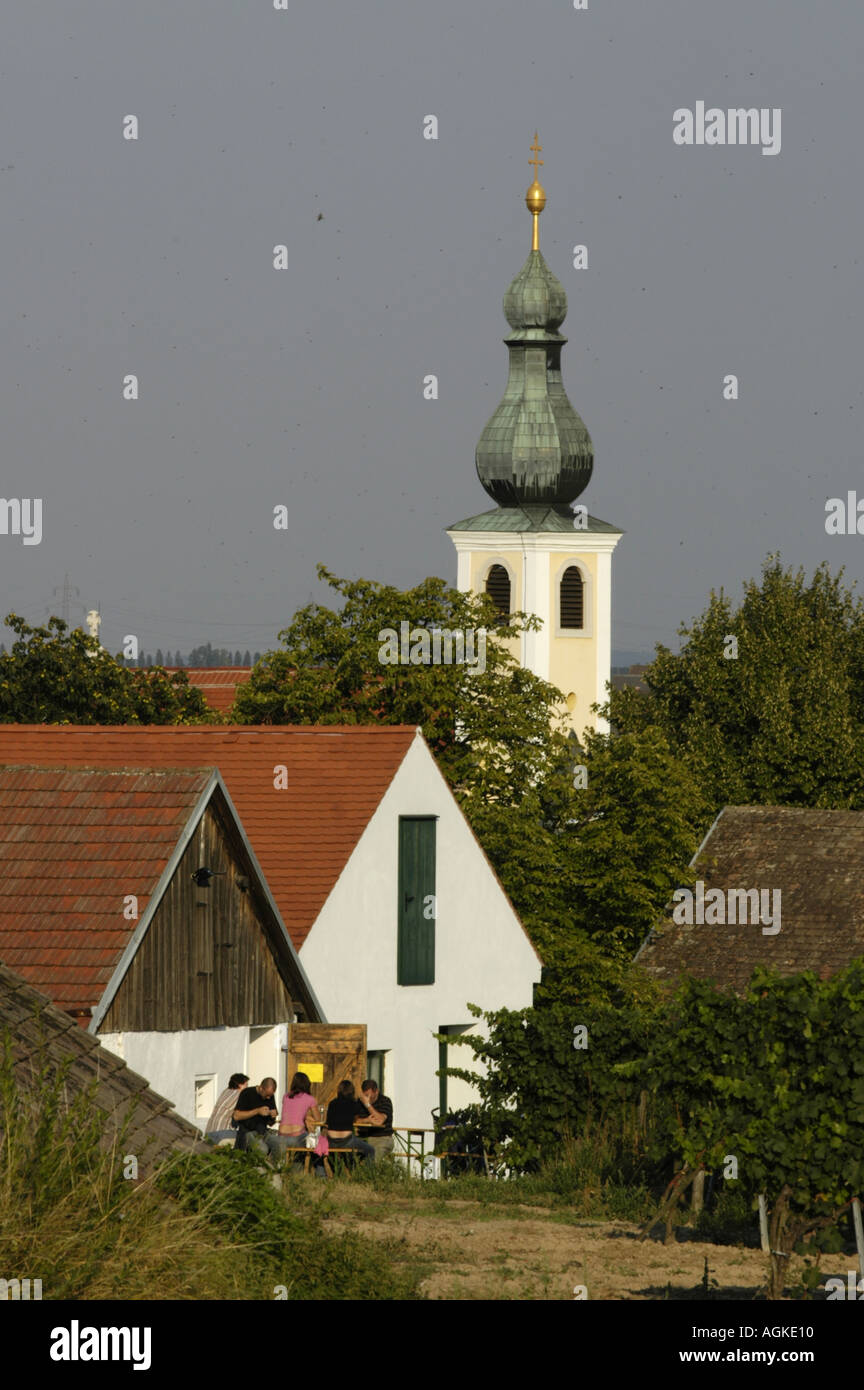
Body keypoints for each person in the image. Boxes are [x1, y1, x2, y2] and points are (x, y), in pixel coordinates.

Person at [266, 1072, 322, 1165]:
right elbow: (318, 1119)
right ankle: (304, 1170)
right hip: (296, 1136)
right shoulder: (310, 1099)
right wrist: (308, 1117)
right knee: (314, 1142)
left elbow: (292, 1113)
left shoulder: (286, 1096)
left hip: (281, 1135)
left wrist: (305, 1116)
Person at [325, 1080, 375, 1164]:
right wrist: (367, 1102)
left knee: (322, 1153)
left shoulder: (332, 1103)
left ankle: (324, 1175)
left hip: (331, 1141)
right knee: (370, 1150)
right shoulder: (353, 1104)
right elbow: (357, 1118)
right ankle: (367, 1174)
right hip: (346, 1141)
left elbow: (328, 1122)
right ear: (352, 1092)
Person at [233, 1077, 278, 1154]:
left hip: (263, 1131)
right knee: (262, 1149)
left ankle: (274, 1165)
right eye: (267, 1095)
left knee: (280, 1145)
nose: (268, 1097)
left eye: (270, 1095)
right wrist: (257, 1111)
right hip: (248, 1131)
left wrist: (273, 1115)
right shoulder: (247, 1093)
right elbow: (236, 1116)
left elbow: (271, 1123)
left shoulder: (270, 1096)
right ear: (261, 1088)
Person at [204, 1072, 249, 1144]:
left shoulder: (225, 1092)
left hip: (209, 1132)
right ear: (240, 1085)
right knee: (247, 1139)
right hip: (223, 1132)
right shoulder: (240, 1095)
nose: (247, 1087)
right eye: (246, 1085)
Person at [359, 1079, 394, 1159]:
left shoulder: (385, 1101)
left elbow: (380, 1120)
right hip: (363, 1138)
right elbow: (355, 1120)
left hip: (382, 1138)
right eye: (365, 1096)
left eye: (369, 1096)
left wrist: (367, 1105)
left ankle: (371, 1171)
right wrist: (366, 1120)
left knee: (373, 1158)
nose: (367, 1098)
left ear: (376, 1091)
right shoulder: (360, 1102)